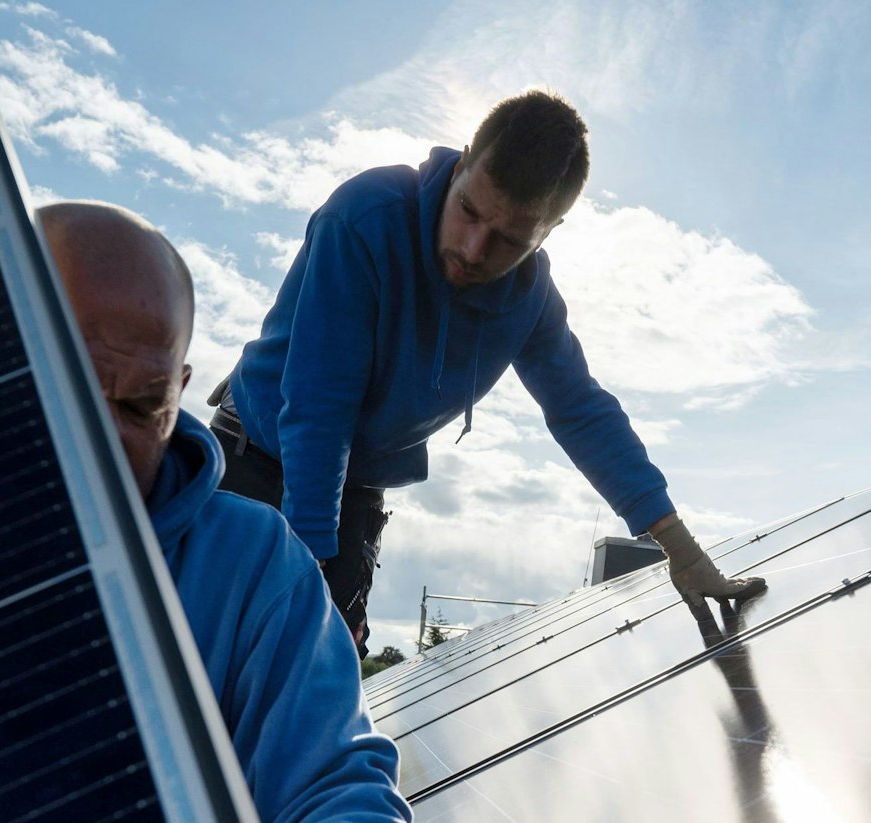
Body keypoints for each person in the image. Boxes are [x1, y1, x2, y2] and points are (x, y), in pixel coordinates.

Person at [211, 89, 765, 655]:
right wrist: (309, 572)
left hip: (354, 488)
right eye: (468, 211)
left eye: (509, 239)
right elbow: (320, 404)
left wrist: (683, 552)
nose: (474, 250)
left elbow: (581, 411)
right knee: (222, 660)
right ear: (463, 161)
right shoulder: (365, 218)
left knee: (319, 687)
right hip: (254, 462)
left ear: (550, 230)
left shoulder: (531, 300)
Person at [36, 201, 409, 823]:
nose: (103, 434)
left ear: (180, 389)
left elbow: (330, 782)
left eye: (141, 404)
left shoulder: (251, 566)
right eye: (70, 381)